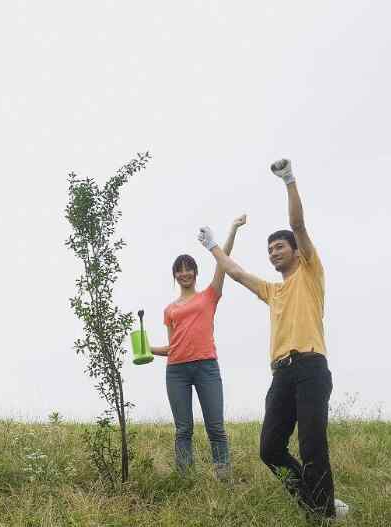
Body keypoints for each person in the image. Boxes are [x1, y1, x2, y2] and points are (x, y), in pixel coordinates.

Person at [196, 159, 348, 520]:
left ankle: (322, 513)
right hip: (282, 373)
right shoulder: (273, 291)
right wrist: (213, 246)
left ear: (296, 252)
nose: (274, 252)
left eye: (280, 247)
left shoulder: (310, 273)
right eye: (270, 250)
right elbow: (235, 272)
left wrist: (289, 180)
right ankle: (317, 503)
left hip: (311, 367)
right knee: (269, 448)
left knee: (312, 445)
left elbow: (298, 224)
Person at [148, 215, 246, 481]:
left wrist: (232, 229)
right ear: (175, 275)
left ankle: (223, 476)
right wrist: (148, 349)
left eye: (188, 268)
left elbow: (223, 262)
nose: (184, 273)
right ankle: (185, 478)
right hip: (176, 370)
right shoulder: (169, 310)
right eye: (179, 270)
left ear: (195, 272)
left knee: (215, 427)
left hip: (206, 367)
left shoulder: (209, 295)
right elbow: (173, 347)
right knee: (183, 429)